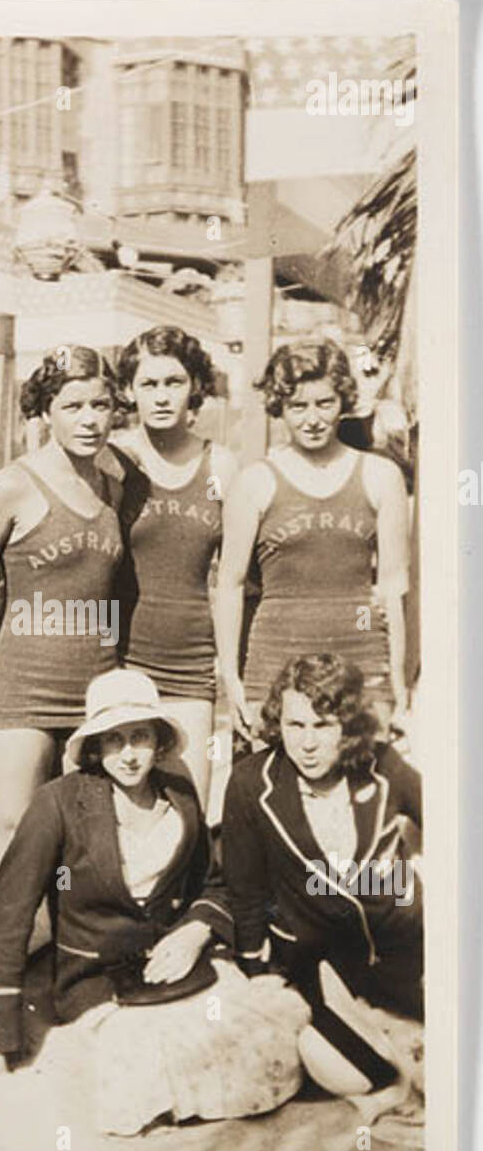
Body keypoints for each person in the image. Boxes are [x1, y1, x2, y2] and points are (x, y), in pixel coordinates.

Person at [0, 668, 310, 1137]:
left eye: (140, 737)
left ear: (159, 740)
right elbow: (9, 912)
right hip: (97, 979)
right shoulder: (59, 803)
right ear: (94, 746)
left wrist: (195, 931)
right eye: (114, 740)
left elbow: (212, 883)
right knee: (144, 1068)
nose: (129, 755)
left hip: (177, 968)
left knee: (260, 1041)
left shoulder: (181, 795)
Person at [0, 347, 125, 872]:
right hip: (17, 694)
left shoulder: (112, 485)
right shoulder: (11, 486)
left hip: (94, 692)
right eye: (73, 406)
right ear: (45, 410)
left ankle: (63, 957)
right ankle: (0, 957)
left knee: (81, 847)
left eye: (101, 404)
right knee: (13, 843)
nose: (91, 419)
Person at [215, 340, 409, 744]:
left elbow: (393, 588)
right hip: (275, 659)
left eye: (325, 403)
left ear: (344, 400)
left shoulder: (379, 475)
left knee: (362, 791)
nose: (313, 419)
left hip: (360, 653)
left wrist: (398, 682)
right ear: (279, 407)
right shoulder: (255, 482)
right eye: (298, 406)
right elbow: (230, 587)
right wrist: (232, 678)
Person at [220, 653, 423, 1021]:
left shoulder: (382, 764)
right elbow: (245, 893)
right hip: (313, 972)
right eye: (295, 725)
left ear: (347, 726)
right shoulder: (250, 782)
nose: (307, 743)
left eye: (323, 725)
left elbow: (454, 825)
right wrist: (255, 972)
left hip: (400, 960)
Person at [111, 326, 238, 809]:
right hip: (120, 660)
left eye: (173, 382)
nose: (162, 396)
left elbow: (235, 580)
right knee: (120, 815)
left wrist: (230, 671)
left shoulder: (222, 467)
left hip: (190, 665)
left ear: (194, 387)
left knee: (189, 810)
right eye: (149, 383)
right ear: (128, 390)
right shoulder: (113, 460)